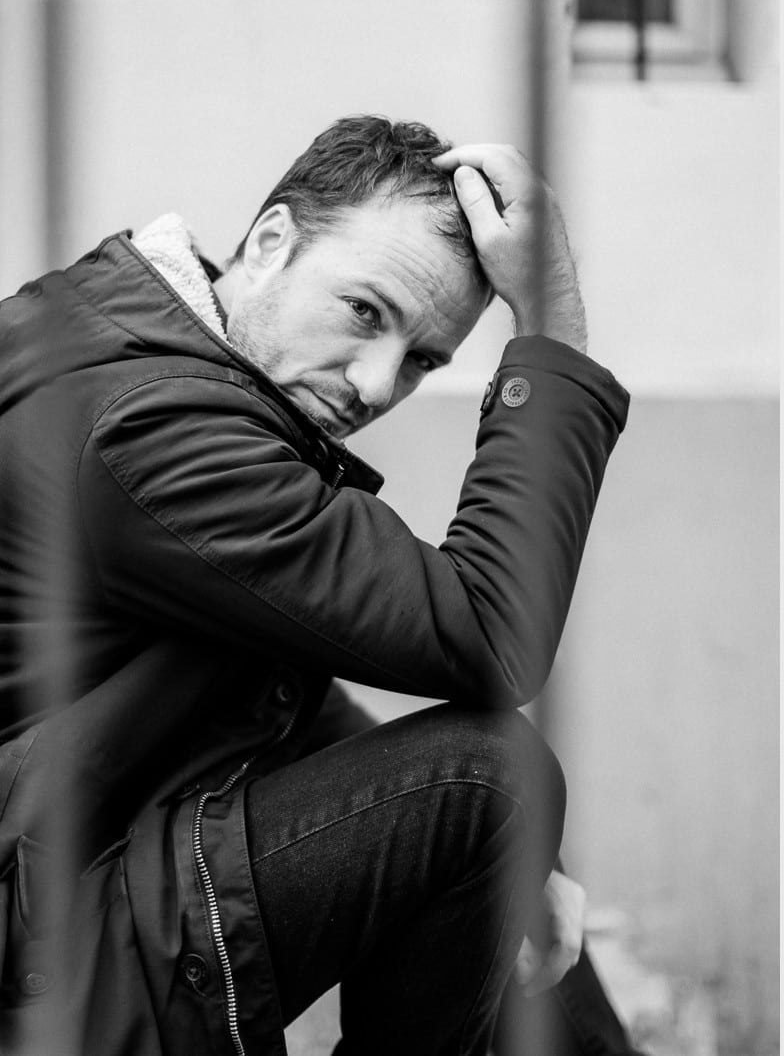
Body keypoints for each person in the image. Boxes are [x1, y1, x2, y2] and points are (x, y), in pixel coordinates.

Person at [0, 116, 635, 1054]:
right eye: (365, 312)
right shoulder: (151, 430)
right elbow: (494, 630)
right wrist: (556, 330)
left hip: (88, 858)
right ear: (269, 243)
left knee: (505, 837)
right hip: (48, 928)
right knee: (488, 782)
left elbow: (263, 681)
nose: (377, 386)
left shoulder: (136, 353)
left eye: (422, 360)